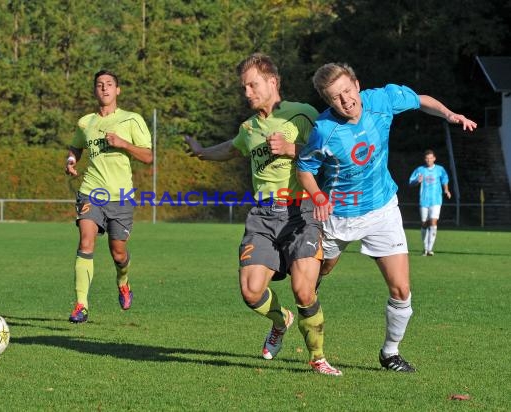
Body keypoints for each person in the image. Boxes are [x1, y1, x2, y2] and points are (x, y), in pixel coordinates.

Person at [296, 62, 476, 372]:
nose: (346, 100)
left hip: (382, 210)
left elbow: (421, 100)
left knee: (401, 290)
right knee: (319, 274)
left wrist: (449, 114)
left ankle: (390, 353)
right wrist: (318, 196)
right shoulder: (324, 130)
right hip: (338, 216)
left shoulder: (382, 100)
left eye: (348, 91)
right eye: (335, 97)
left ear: (357, 84)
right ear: (328, 101)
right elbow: (305, 168)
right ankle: (317, 280)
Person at [184, 53, 341, 376]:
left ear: (272, 82)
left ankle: (318, 358)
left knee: (303, 290)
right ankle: (280, 320)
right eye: (244, 87)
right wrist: (201, 153)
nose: (247, 93)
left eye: (252, 85)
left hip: (302, 210)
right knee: (251, 291)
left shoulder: (303, 114)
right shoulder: (249, 127)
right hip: (263, 215)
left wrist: (292, 149)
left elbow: (330, 153)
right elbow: (230, 147)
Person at [64, 70, 153, 323]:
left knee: (118, 253)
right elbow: (76, 145)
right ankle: (81, 305)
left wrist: (124, 144)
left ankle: (123, 281)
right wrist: (71, 159)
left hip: (121, 197)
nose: (104, 88)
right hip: (91, 192)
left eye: (109, 84)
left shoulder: (131, 120)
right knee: (86, 242)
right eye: (100, 85)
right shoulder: (86, 123)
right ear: (95, 90)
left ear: (118, 90)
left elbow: (148, 156)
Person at [409, 150, 451, 256]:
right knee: (424, 223)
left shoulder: (439, 169)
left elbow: (445, 179)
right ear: (425, 159)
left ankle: (430, 249)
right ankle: (425, 247)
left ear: (434, 158)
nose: (429, 160)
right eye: (427, 158)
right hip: (424, 200)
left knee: (433, 222)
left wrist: (446, 190)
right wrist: (417, 181)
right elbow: (411, 182)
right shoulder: (420, 170)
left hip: (436, 200)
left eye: (430, 158)